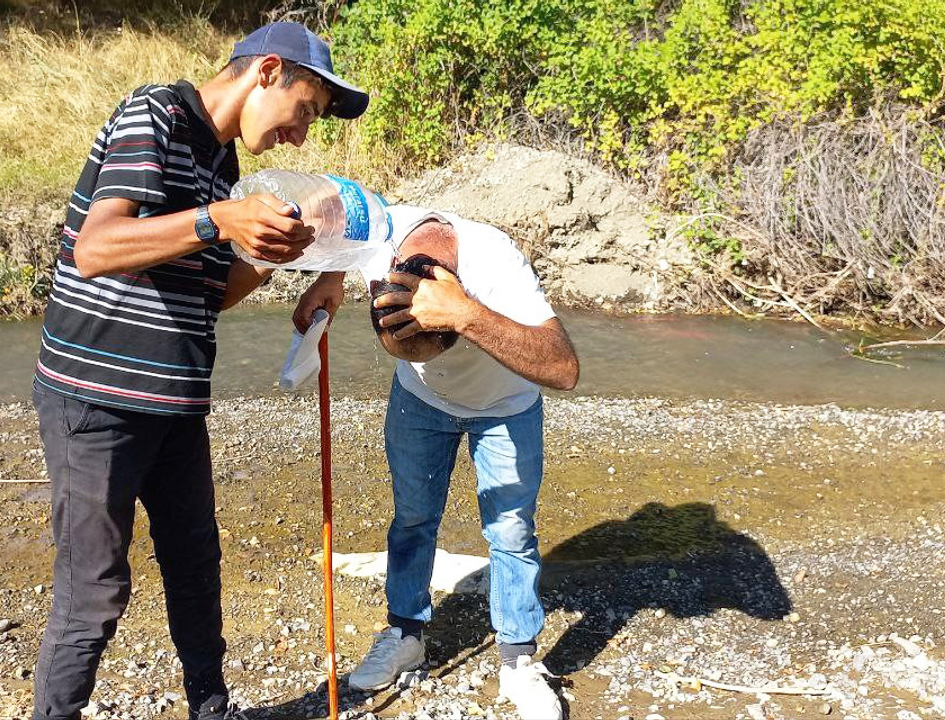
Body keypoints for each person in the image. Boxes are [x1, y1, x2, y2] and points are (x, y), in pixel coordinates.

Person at [29, 22, 368, 720]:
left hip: (176, 402)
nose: (301, 136)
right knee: (93, 592)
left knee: (195, 569)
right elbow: (94, 249)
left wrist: (297, 254)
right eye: (304, 111)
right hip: (97, 400)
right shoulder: (156, 113)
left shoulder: (221, 166)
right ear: (267, 70)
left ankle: (211, 711)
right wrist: (221, 219)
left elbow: (210, 295)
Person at [349, 206, 580, 720]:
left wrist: (466, 315)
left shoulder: (497, 263)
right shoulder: (380, 232)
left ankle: (519, 660)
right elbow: (322, 215)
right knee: (411, 519)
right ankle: (405, 632)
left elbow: (564, 368)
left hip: (505, 408)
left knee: (511, 531)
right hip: (419, 403)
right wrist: (324, 278)